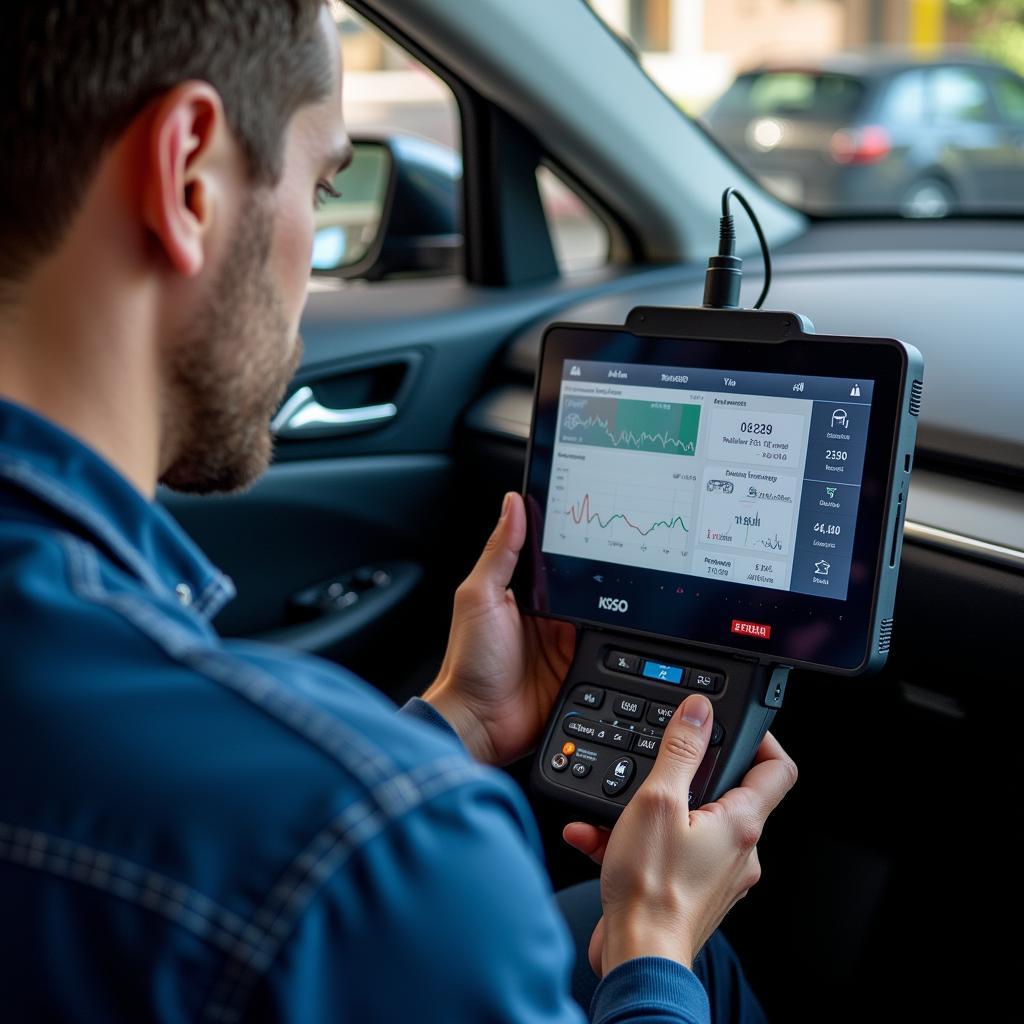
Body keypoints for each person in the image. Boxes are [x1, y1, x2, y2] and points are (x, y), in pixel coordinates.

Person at [0, 3, 798, 1021]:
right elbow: (322, 855)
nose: (313, 267)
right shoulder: (369, 844)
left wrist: (450, 724)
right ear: (187, 175)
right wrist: (653, 943)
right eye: (323, 186)